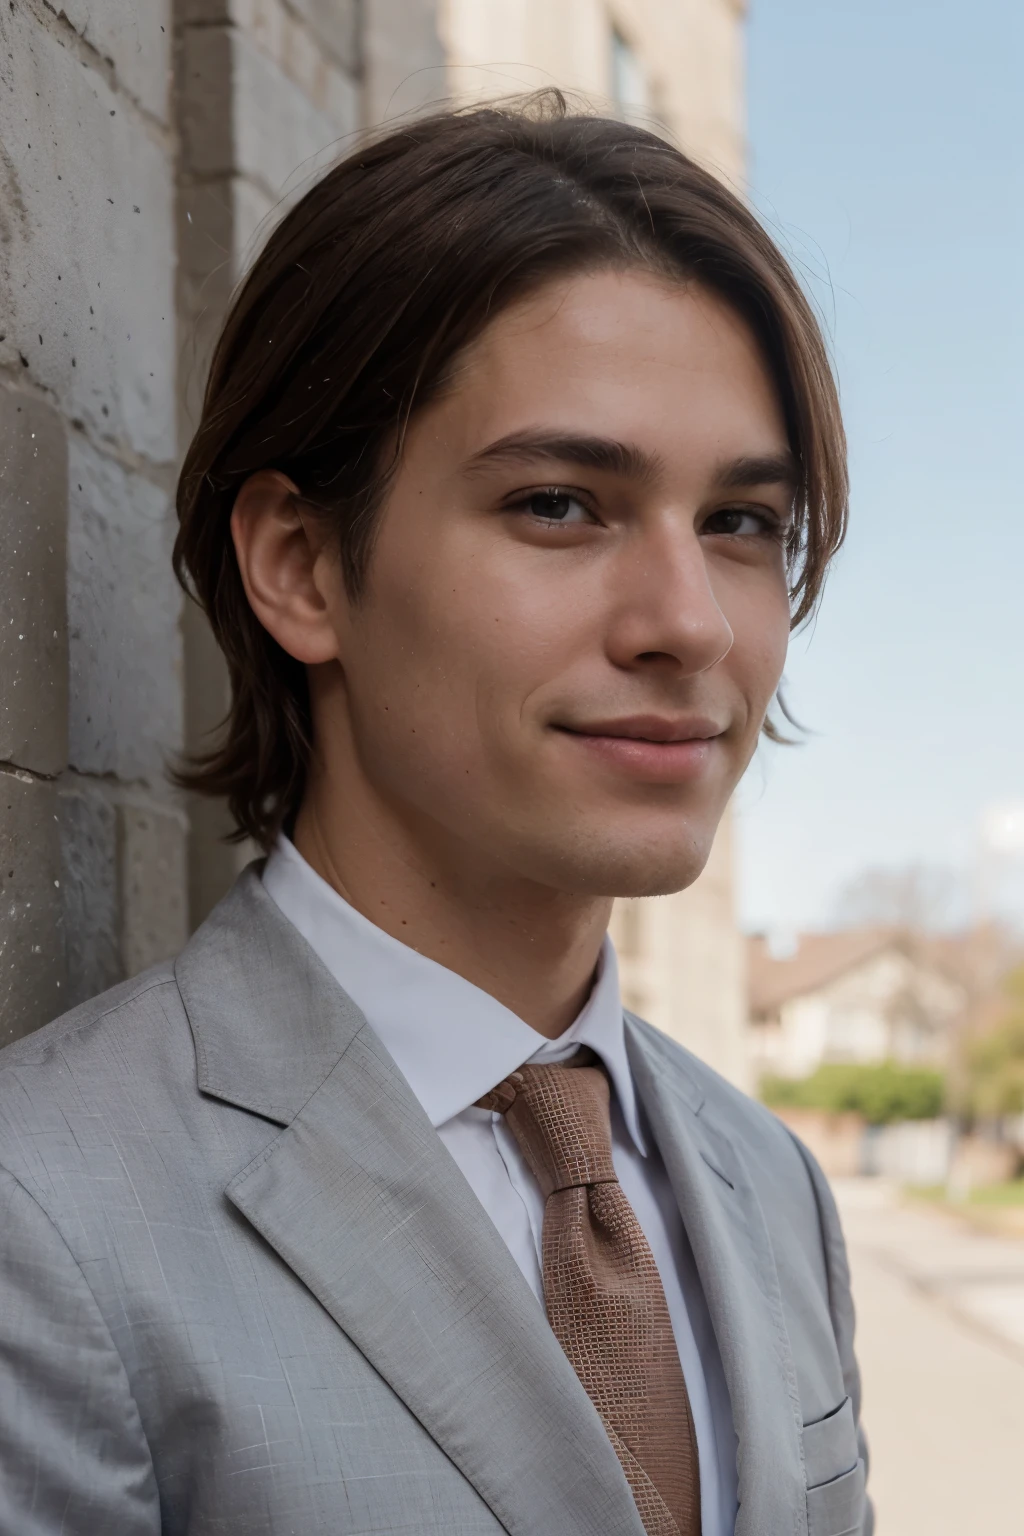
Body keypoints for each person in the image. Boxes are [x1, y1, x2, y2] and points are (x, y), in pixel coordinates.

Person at [0, 96, 870, 1536]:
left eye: (742, 524)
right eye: (558, 504)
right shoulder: (46, 1212)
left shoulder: (768, 1181)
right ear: (300, 565)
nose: (688, 624)